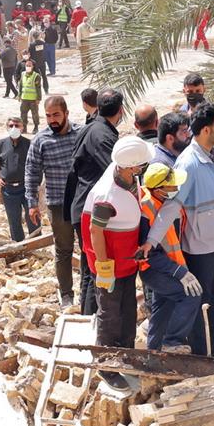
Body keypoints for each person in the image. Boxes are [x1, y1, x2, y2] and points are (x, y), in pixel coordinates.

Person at [155, 101, 214, 357]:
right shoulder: (188, 164)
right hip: (201, 245)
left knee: (211, 296)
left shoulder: (212, 155)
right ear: (205, 130)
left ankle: (212, 344)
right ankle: (205, 350)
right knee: (203, 299)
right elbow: (171, 206)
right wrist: (151, 240)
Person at [81, 135, 153, 351]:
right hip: (110, 265)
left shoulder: (125, 173)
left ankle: (126, 351)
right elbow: (96, 230)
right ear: (132, 168)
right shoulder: (107, 196)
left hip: (126, 260)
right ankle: (106, 360)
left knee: (128, 309)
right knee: (110, 313)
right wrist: (103, 267)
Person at [66, 89, 124, 316]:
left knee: (90, 268)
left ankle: (88, 318)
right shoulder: (102, 135)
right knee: (97, 268)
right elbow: (114, 171)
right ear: (120, 110)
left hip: (84, 206)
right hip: (93, 210)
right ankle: (93, 321)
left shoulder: (92, 128)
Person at [138, 163, 203, 350]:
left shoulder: (162, 203)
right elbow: (148, 253)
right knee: (190, 295)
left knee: (163, 307)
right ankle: (171, 343)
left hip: (166, 266)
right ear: (158, 189)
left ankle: (154, 350)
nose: (176, 189)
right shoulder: (147, 210)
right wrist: (179, 272)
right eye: (172, 186)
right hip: (155, 270)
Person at [26, 95, 83, 307]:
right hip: (58, 204)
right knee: (63, 250)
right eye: (48, 116)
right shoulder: (41, 140)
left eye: (56, 115)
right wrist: (32, 202)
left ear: (66, 113)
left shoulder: (81, 134)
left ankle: (89, 292)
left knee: (88, 249)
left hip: (82, 202)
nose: (52, 120)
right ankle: (66, 296)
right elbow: (32, 172)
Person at [0, 119, 32, 242]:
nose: (14, 128)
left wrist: (36, 185)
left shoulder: (29, 144)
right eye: (11, 125)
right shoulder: (0, 144)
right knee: (14, 220)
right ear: (6, 127)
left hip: (27, 188)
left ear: (22, 127)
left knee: (32, 217)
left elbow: (37, 164)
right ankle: (19, 246)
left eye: (17, 125)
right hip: (8, 189)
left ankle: (37, 242)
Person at [17, 61, 44, 132]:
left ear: (32, 67)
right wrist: (19, 95)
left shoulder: (36, 76)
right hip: (24, 98)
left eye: (29, 65)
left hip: (33, 99)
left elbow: (38, 88)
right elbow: (20, 86)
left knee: (34, 114)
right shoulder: (22, 74)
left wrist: (38, 99)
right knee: (23, 114)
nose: (28, 67)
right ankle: (24, 127)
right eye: (27, 65)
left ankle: (36, 127)